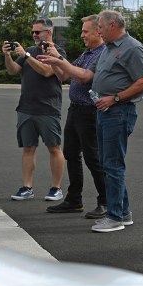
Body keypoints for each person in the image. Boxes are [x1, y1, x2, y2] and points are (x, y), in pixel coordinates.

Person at [38, 10, 143, 233]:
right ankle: (123, 212)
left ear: (112, 26)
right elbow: (86, 76)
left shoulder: (132, 48)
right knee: (110, 163)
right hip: (103, 111)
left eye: (99, 27)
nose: (98, 31)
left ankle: (114, 216)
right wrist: (58, 60)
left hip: (118, 111)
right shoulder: (107, 49)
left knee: (111, 164)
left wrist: (115, 98)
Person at [41, 15, 108, 218]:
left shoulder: (102, 54)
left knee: (93, 158)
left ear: (98, 31)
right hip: (76, 110)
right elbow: (64, 75)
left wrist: (58, 59)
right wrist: (52, 59)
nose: (82, 35)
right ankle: (74, 199)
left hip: (89, 111)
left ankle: (105, 201)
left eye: (86, 31)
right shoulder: (87, 53)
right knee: (71, 154)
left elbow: (84, 76)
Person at [3, 17, 67, 202]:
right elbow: (13, 70)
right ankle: (27, 187)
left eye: (37, 32)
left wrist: (26, 56)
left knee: (54, 147)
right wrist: (8, 55)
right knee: (28, 148)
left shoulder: (57, 52)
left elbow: (47, 71)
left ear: (49, 32)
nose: (34, 35)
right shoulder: (29, 51)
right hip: (26, 107)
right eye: (33, 32)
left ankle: (56, 188)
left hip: (48, 108)